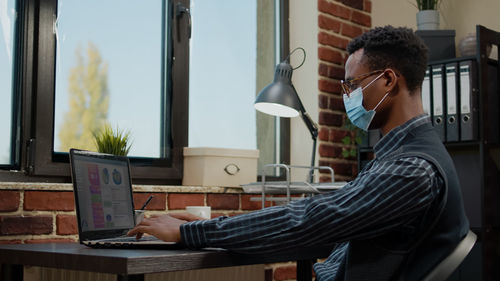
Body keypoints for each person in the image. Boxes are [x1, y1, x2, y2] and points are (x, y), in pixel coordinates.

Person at [128, 26, 469, 281]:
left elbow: (310, 220)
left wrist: (191, 233)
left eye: (351, 84)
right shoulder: (402, 156)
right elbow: (323, 214)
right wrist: (213, 225)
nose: (346, 95)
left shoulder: (411, 170)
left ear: (388, 81)